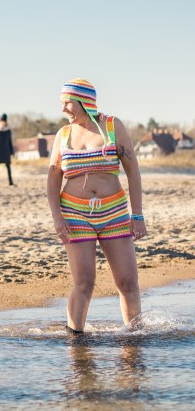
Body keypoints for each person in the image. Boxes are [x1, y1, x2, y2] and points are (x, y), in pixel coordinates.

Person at [47, 78, 146, 333]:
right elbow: (53, 180)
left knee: (127, 281)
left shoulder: (112, 126)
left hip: (113, 211)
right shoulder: (64, 134)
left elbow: (133, 171)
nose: (63, 109)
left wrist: (137, 214)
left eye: (67, 103)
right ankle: (75, 341)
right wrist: (58, 219)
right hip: (74, 213)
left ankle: (134, 339)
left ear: (84, 101)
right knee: (84, 282)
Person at [0, 113, 15, 186]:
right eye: (2, 120)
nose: (3, 122)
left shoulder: (8, 130)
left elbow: (10, 142)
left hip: (6, 151)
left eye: (4, 121)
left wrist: (12, 151)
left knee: (8, 167)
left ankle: (10, 182)